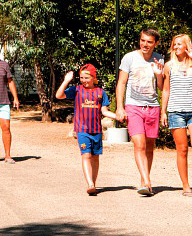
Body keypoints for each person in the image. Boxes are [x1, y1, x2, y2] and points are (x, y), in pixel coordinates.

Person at [115, 28, 165, 197]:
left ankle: (144, 180)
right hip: (133, 106)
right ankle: (147, 182)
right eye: (143, 40)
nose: (145, 44)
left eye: (149, 42)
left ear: (155, 43)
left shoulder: (159, 58)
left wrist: (159, 74)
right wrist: (120, 107)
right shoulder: (129, 58)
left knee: (150, 147)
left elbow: (161, 87)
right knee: (139, 144)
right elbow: (121, 83)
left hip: (152, 106)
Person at [160, 33, 192, 198]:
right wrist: (163, 112)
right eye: (174, 44)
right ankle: (186, 186)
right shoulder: (169, 66)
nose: (176, 47)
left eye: (179, 44)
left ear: (187, 45)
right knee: (181, 149)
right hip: (176, 111)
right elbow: (165, 90)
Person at [55, 64, 113, 195]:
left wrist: (118, 116)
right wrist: (66, 80)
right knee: (86, 155)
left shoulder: (100, 92)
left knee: (95, 157)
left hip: (96, 130)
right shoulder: (76, 90)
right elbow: (59, 95)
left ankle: (94, 183)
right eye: (81, 78)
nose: (84, 80)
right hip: (82, 130)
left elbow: (104, 111)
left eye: (87, 77)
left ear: (93, 77)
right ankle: (90, 184)